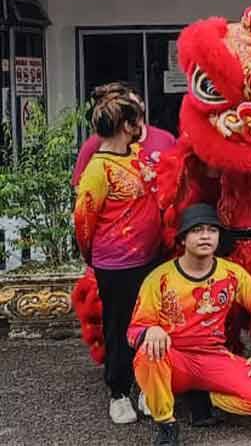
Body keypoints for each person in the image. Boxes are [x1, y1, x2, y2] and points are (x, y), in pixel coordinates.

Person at [130, 203, 251, 446]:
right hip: (173, 359)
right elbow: (134, 331)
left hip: (213, 357)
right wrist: (151, 329)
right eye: (196, 230)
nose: (205, 236)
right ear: (182, 239)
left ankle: (204, 398)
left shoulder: (232, 273)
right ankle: (166, 423)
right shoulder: (160, 277)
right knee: (147, 354)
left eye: (212, 230)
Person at [73, 93, 163, 425]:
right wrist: (92, 258)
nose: (142, 126)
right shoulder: (98, 169)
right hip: (116, 264)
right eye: (137, 120)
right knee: (119, 327)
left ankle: (147, 386)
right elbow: (83, 221)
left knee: (152, 324)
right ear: (127, 126)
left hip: (151, 257)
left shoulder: (139, 158)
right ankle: (119, 392)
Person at [71, 81, 175, 187]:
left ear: (142, 106)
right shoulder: (95, 149)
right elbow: (81, 191)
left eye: (134, 107)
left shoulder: (166, 139)